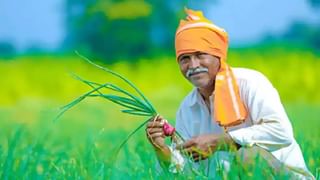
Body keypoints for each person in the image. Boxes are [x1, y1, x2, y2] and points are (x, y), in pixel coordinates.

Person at [145, 8, 314, 179]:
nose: (193, 65)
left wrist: (220, 142)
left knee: (248, 156)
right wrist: (162, 150)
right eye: (184, 59)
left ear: (218, 55)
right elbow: (188, 172)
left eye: (200, 55)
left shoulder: (250, 83)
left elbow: (281, 132)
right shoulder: (187, 108)